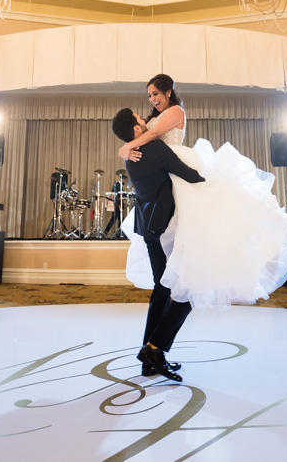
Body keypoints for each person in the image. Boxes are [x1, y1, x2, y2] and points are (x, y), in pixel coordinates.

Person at [116, 74, 287, 310]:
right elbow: (140, 132)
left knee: (195, 222)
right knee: (171, 227)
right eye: (149, 95)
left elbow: (151, 135)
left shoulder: (175, 112)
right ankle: (171, 285)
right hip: (163, 171)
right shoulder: (153, 117)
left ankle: (190, 283)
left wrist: (125, 147)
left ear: (168, 93)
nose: (152, 99)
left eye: (155, 94)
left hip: (174, 162)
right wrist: (127, 148)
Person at [112, 107, 205, 381]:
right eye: (141, 120)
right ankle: (155, 348)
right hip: (165, 229)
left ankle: (149, 359)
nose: (146, 119)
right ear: (137, 130)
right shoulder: (155, 150)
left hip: (148, 229)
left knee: (162, 290)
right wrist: (214, 183)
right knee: (188, 290)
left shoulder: (131, 156)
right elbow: (189, 175)